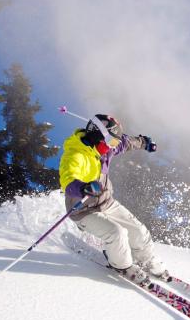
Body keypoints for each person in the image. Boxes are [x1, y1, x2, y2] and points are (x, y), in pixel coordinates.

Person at [59, 114, 167, 285]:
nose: (112, 147)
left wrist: (144, 142)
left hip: (107, 203)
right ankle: (123, 265)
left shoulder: (106, 148)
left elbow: (125, 142)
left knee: (138, 231)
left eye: (113, 143)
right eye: (110, 142)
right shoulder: (75, 155)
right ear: (96, 136)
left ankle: (146, 260)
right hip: (83, 210)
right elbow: (67, 179)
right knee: (117, 233)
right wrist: (82, 188)